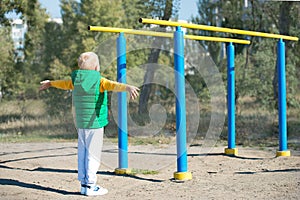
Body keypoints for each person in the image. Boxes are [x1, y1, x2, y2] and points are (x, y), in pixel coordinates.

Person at [39, 52, 139, 196]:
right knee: (93, 154)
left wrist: (50, 83)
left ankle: (84, 183)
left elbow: (63, 84)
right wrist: (127, 87)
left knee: (83, 152)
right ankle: (90, 185)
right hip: (95, 124)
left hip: (81, 123)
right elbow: (113, 85)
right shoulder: (99, 81)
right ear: (97, 67)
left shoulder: (76, 80)